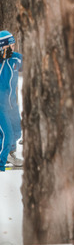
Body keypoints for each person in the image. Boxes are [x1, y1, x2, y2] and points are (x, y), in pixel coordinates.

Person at [0, 31, 23, 170]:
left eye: (14, 45)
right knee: (7, 134)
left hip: (11, 104)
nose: (13, 48)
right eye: (10, 46)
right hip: (0, 105)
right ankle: (1, 161)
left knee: (17, 131)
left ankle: (10, 154)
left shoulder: (15, 59)